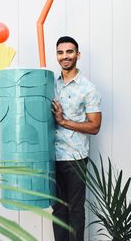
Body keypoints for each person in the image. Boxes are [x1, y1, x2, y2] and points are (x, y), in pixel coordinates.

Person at [51, 36, 102, 241]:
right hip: (53, 157)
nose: (65, 56)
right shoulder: (50, 85)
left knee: (75, 210)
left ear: (77, 55)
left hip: (76, 158)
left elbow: (95, 126)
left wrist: (63, 121)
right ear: (57, 56)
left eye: (69, 52)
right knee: (58, 210)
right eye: (61, 52)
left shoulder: (88, 89)